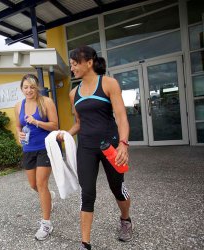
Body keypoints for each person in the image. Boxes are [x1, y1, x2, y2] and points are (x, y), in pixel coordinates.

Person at [57, 46, 132, 250]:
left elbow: (121, 117)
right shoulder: (74, 93)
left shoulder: (108, 83)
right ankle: (85, 243)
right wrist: (64, 134)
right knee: (87, 193)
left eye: (75, 64)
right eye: (71, 65)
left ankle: (125, 220)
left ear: (89, 62)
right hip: (87, 148)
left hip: (110, 145)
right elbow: (79, 123)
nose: (72, 68)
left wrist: (123, 144)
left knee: (117, 187)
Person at [14, 74, 59, 241]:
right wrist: (18, 135)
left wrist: (36, 122)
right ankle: (48, 195)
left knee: (41, 184)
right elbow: (18, 126)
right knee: (34, 185)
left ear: (37, 88)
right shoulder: (19, 106)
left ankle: (46, 223)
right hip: (29, 149)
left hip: (45, 147)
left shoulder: (46, 102)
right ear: (22, 89)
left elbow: (55, 125)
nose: (29, 90)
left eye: (32, 87)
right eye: (25, 87)